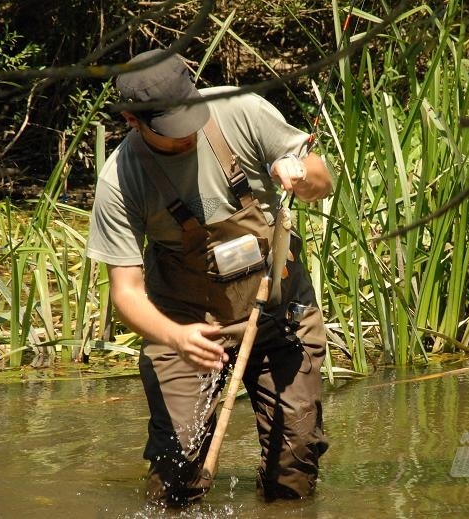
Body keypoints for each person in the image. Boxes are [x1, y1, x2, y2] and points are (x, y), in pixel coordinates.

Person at [85, 49, 332, 505]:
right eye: (170, 132)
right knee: (177, 474)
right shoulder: (119, 180)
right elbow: (126, 292)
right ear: (132, 120)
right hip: (187, 325)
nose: (186, 137)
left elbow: (322, 177)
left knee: (294, 465)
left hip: (281, 314)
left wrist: (300, 176)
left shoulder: (244, 110)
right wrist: (176, 337)